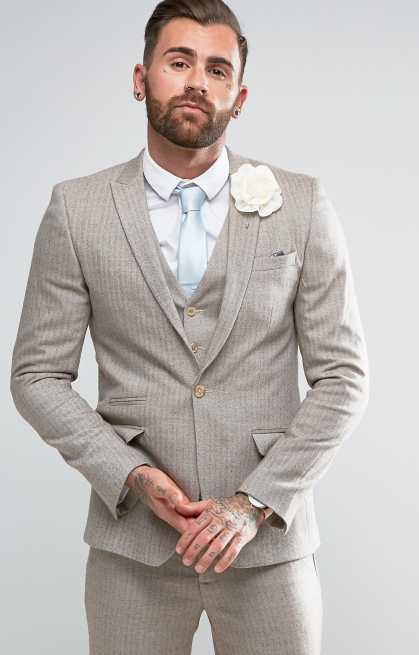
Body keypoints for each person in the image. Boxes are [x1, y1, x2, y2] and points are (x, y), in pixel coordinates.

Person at [10, 1, 370, 653]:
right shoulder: (77, 210)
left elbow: (344, 378)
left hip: (268, 548)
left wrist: (254, 502)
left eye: (217, 69)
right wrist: (130, 473)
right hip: (133, 550)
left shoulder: (302, 205)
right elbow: (37, 375)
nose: (197, 82)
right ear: (140, 78)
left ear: (240, 97)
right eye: (179, 62)